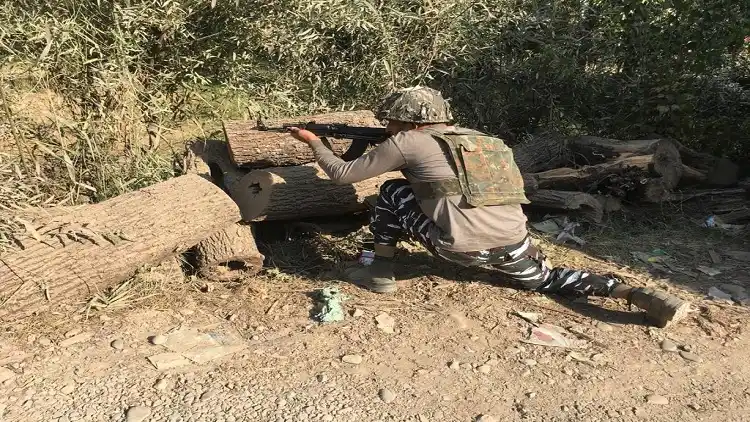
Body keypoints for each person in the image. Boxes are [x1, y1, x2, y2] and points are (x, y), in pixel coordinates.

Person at [287, 86, 690, 328]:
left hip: (456, 247)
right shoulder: (485, 141)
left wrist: (312, 141)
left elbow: (343, 175)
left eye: (390, 121)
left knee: (392, 192)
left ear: (404, 121)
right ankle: (631, 293)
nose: (388, 127)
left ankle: (378, 271)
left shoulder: (406, 141)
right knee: (547, 280)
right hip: (513, 244)